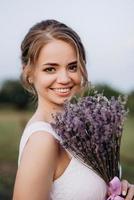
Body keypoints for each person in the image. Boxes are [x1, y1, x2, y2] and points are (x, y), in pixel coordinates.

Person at [13, 19, 134, 200]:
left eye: (72, 67)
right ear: (29, 73)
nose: (64, 78)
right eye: (50, 69)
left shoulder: (81, 129)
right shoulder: (43, 141)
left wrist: (117, 191)